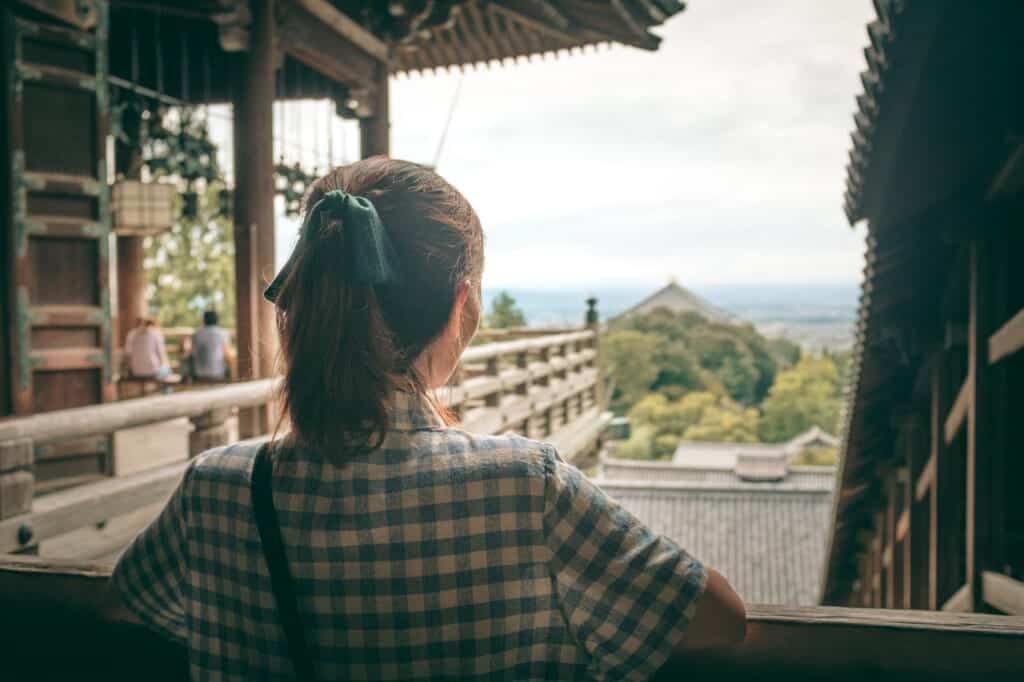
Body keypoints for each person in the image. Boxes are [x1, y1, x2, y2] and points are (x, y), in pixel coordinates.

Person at [109, 159, 745, 679]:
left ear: (302, 297)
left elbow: (130, 608)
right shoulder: (524, 485)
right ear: (460, 309)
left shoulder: (216, 489)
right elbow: (718, 619)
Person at [188, 309, 232, 381]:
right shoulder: (223, 333)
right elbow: (227, 355)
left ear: (204, 320)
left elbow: (192, 353)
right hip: (218, 374)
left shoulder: (196, 333)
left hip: (199, 374)